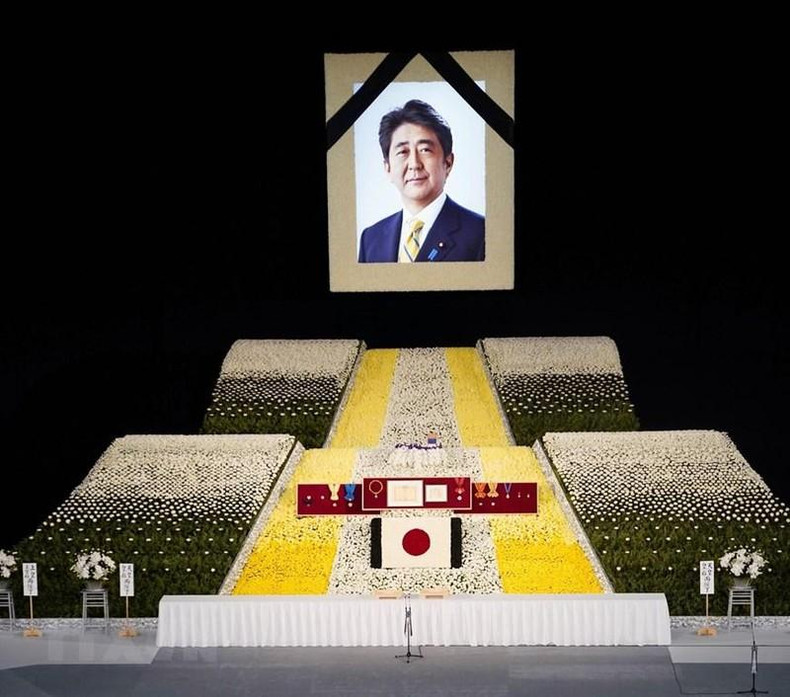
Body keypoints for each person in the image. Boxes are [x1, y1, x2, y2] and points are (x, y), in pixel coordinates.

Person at [357, 99, 485, 263]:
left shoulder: (481, 233)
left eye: (425, 150)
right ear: (387, 168)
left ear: (447, 163)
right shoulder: (371, 239)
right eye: (403, 152)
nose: (414, 164)